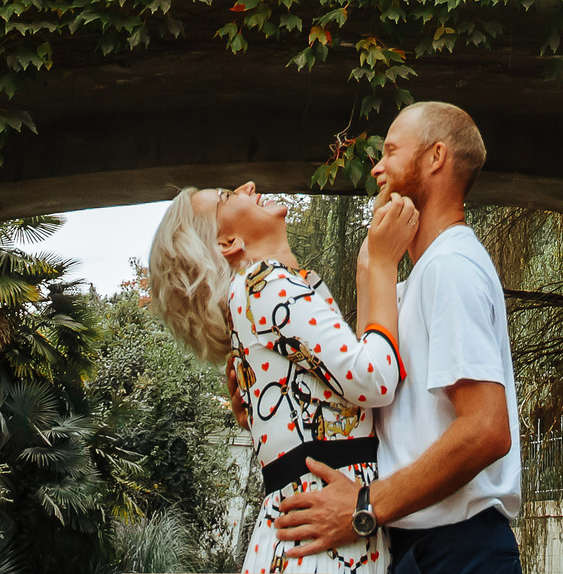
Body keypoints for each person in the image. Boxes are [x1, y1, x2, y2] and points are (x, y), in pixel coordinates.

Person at [276, 101, 523, 572]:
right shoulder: (415, 281)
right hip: (415, 546)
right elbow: (367, 391)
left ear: (435, 158)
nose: (377, 166)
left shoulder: (451, 267)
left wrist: (366, 505)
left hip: (459, 551)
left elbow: (486, 430)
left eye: (390, 151)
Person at [149, 178, 421, 572]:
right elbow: (375, 379)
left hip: (307, 537)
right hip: (324, 543)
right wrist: (381, 264)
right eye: (227, 196)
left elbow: (347, 402)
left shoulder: (259, 297)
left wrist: (368, 267)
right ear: (228, 244)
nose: (248, 186)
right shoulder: (265, 286)